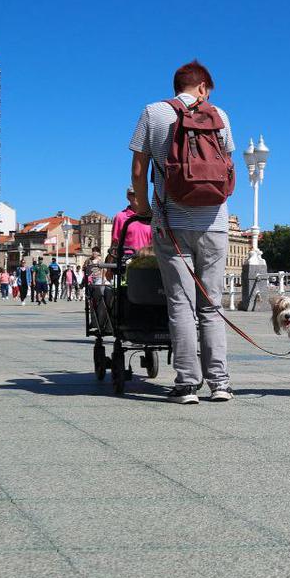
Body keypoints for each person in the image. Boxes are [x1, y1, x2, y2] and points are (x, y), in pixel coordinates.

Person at [128, 59, 235, 403]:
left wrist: (143, 208)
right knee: (212, 305)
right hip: (215, 224)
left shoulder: (153, 112)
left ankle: (187, 384)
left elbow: (138, 168)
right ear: (202, 87)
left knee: (181, 304)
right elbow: (227, 168)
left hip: (171, 222)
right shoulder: (220, 115)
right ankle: (220, 383)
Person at [111, 187, 154, 256]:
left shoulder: (151, 216)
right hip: (127, 257)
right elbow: (115, 242)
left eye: (141, 194)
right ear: (128, 197)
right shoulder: (120, 217)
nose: (138, 197)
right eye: (134, 194)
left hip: (147, 257)